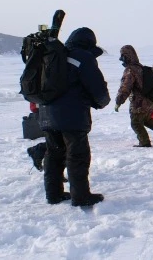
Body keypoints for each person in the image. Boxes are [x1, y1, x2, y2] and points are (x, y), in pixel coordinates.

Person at [37, 27, 110, 206]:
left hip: (47, 114)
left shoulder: (55, 54)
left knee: (54, 154)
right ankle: (81, 196)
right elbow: (97, 88)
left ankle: (53, 194)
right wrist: (101, 102)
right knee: (77, 156)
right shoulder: (82, 57)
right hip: (72, 117)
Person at [115, 45, 153, 147]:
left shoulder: (130, 70)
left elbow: (125, 87)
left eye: (122, 56)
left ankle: (144, 142)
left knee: (135, 123)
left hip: (138, 104)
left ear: (126, 57)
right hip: (149, 102)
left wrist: (119, 101)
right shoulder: (141, 67)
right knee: (146, 119)